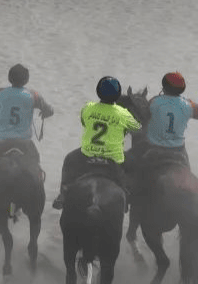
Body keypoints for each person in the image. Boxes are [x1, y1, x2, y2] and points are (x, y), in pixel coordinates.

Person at [0, 64, 54, 199]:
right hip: (24, 142)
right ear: (27, 80)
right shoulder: (33, 95)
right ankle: (38, 186)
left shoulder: (1, 93)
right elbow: (49, 110)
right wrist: (45, 113)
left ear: (9, 78)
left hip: (1, 141)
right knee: (35, 160)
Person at [51, 76, 140, 210]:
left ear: (98, 91)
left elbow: (84, 122)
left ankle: (63, 194)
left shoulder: (88, 107)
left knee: (69, 159)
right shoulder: (123, 114)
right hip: (113, 157)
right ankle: (127, 195)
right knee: (134, 164)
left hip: (87, 154)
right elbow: (137, 128)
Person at [135, 71, 198, 167]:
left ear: (164, 88)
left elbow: (145, 119)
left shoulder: (154, 101)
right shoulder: (189, 105)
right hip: (178, 151)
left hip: (154, 149)